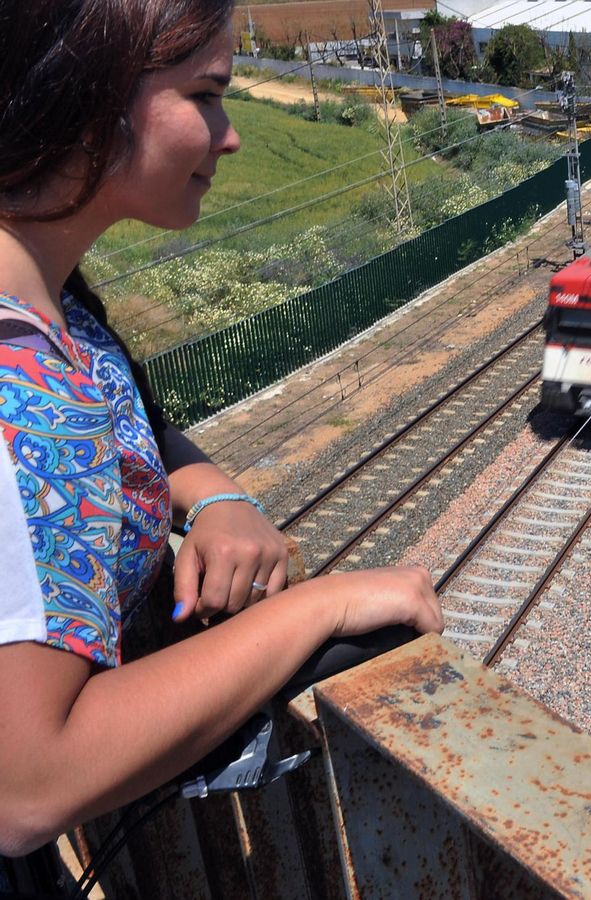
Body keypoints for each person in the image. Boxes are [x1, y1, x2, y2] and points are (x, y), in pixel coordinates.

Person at [0, 0, 444, 863]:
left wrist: (219, 499)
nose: (230, 134)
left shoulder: (48, 307)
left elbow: (121, 415)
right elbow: (25, 785)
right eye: (206, 93)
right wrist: (328, 605)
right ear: (83, 96)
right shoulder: (12, 388)